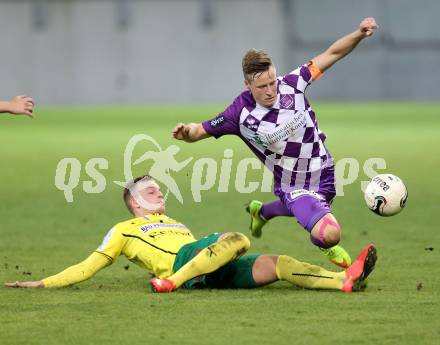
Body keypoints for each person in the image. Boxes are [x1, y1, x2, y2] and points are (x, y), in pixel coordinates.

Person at [172, 17, 378, 269]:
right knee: (328, 233)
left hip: (324, 170)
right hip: (291, 184)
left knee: (306, 206)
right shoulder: (238, 114)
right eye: (261, 86)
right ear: (247, 84)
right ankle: (328, 248)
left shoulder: (294, 83)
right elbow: (200, 130)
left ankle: (261, 212)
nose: (270, 90)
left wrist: (359, 33)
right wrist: (186, 132)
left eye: (272, 82)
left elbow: (332, 53)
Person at [5, 175, 377, 293]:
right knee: (238, 238)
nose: (160, 194)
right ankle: (170, 284)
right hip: (183, 266)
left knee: (279, 263)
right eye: (151, 192)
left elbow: (206, 250)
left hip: (205, 265)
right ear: (134, 203)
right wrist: (43, 283)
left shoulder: (175, 222)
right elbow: (90, 265)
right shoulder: (123, 230)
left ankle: (344, 280)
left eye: (159, 189)